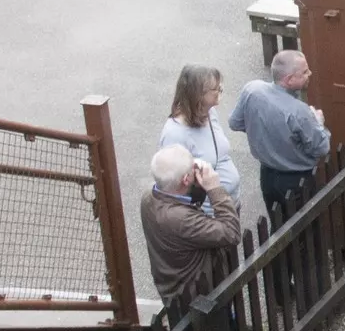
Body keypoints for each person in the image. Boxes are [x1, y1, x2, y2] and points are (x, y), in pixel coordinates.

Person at [228, 51, 332, 217]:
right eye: (305, 72)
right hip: (297, 181)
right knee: (305, 231)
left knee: (277, 227)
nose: (310, 74)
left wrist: (263, 132)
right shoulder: (300, 112)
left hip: (267, 177)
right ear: (289, 80)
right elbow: (322, 148)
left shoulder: (252, 90)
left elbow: (235, 123)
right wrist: (318, 123)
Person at [140, 145, 241, 310]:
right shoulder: (180, 219)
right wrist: (214, 188)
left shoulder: (149, 197)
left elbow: (186, 204)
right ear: (186, 180)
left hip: (172, 286)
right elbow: (231, 232)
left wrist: (197, 189)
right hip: (195, 296)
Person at [160, 64, 241, 205]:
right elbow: (173, 185)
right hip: (209, 214)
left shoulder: (209, 113)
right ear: (197, 95)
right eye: (215, 88)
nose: (220, 90)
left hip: (229, 203)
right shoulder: (174, 134)